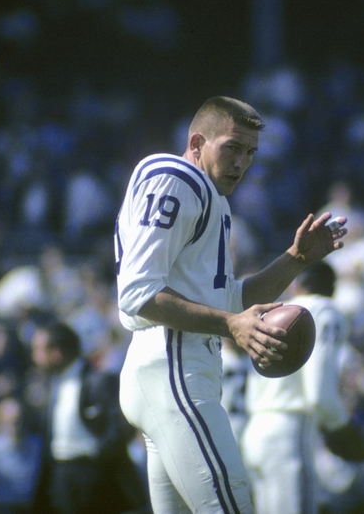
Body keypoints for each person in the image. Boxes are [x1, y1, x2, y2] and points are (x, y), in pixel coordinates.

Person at [114, 95, 347, 514]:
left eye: (251, 153)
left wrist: (295, 260)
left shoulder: (212, 199)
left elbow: (232, 302)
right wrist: (230, 325)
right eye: (233, 148)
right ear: (197, 141)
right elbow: (137, 292)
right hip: (172, 362)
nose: (242, 163)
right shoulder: (177, 176)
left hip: (173, 366)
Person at [240, 261, 364, 514]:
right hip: (289, 432)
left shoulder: (277, 311)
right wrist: (344, 428)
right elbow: (318, 393)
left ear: (297, 286)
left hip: (254, 430)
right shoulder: (325, 310)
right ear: (333, 289)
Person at [30, 321, 146, 514]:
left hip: (95, 476)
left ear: (56, 352)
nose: (35, 357)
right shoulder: (51, 384)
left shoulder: (98, 381)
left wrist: (97, 454)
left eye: (38, 350)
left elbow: (120, 427)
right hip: (62, 477)